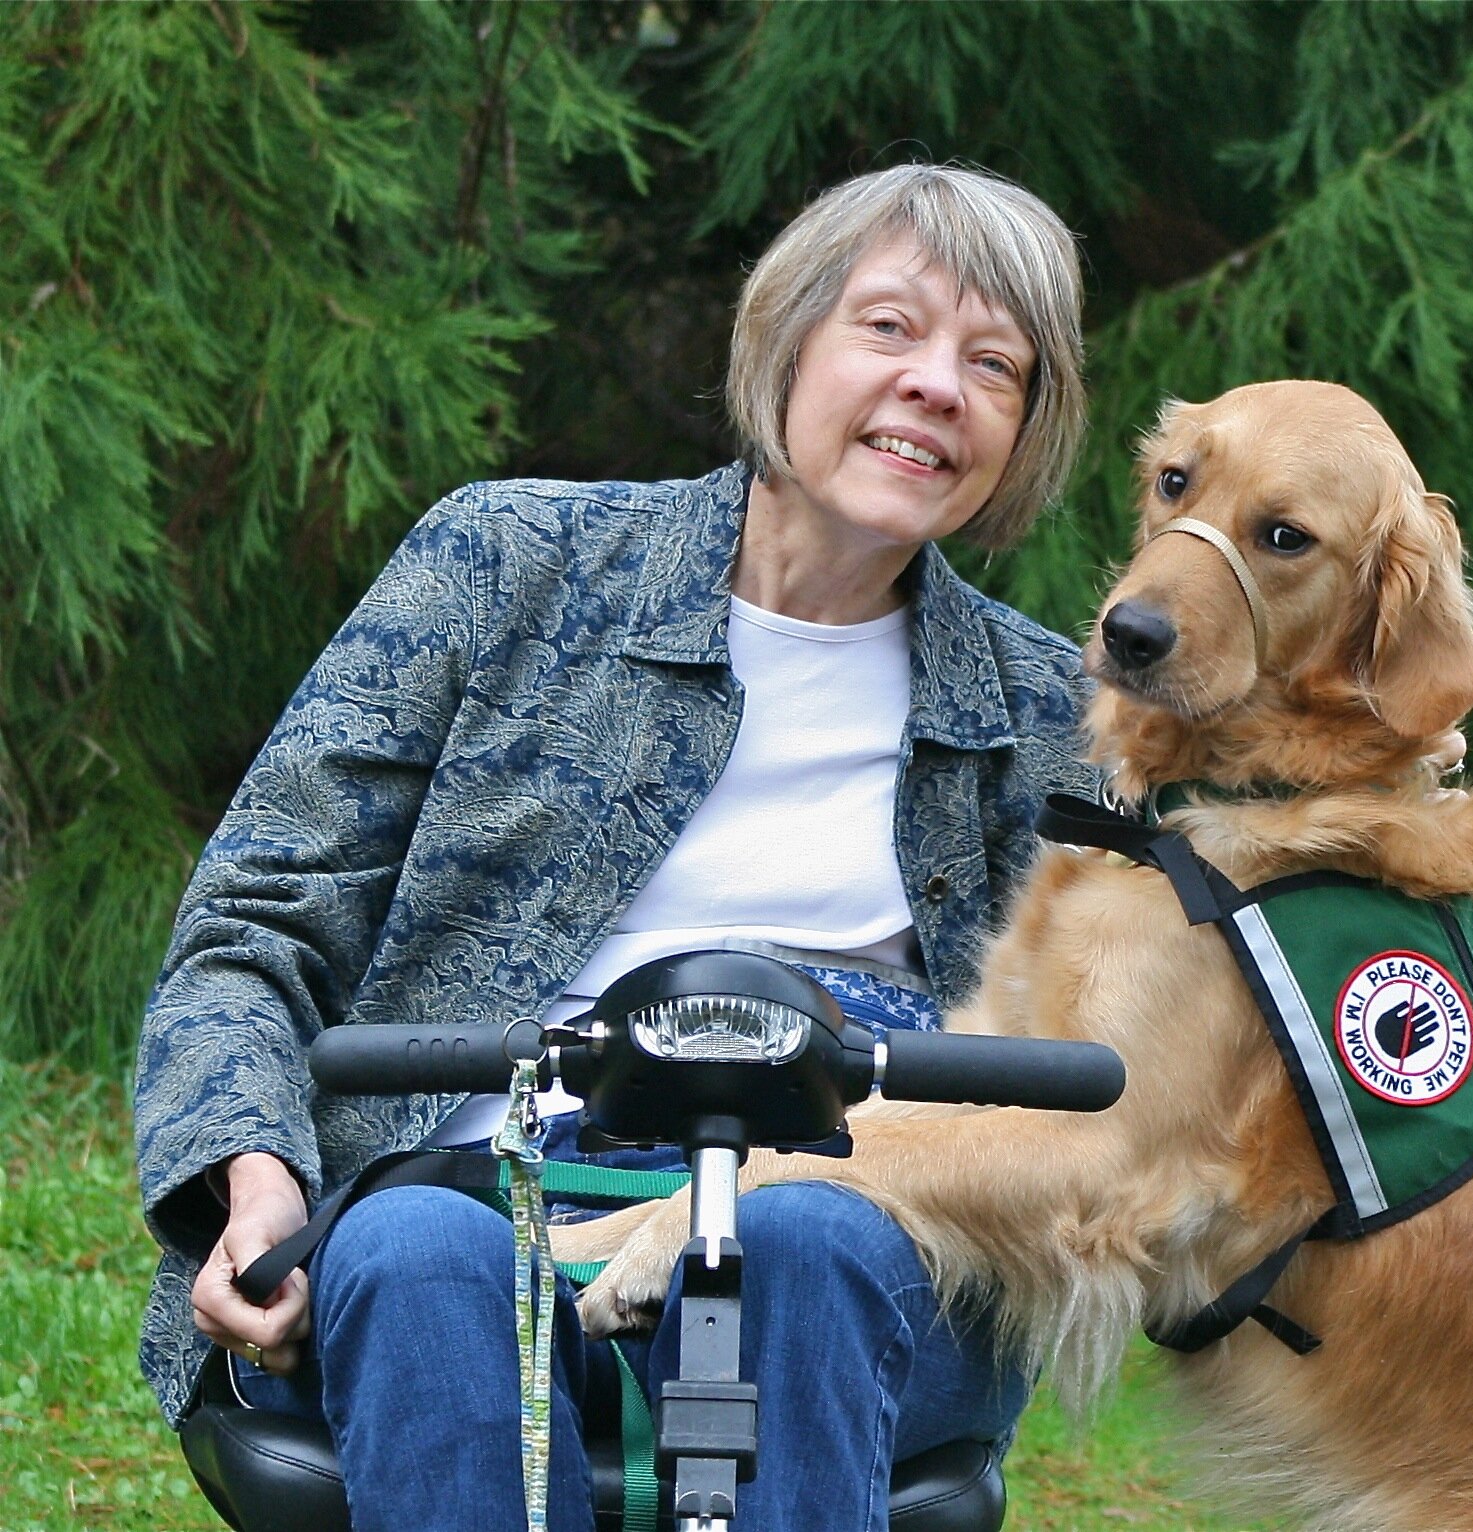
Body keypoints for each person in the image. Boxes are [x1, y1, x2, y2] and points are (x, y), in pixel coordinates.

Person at [134, 162, 1101, 1532]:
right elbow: (255, 925)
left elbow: (1138, 1047)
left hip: (849, 1228)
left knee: (805, 1240)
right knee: (413, 1249)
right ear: (788, 339)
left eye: (994, 364)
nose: (938, 383)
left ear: (1022, 431)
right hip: (490, 1193)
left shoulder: (1050, 713)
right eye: (889, 327)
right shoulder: (502, 566)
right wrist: (252, 1172)